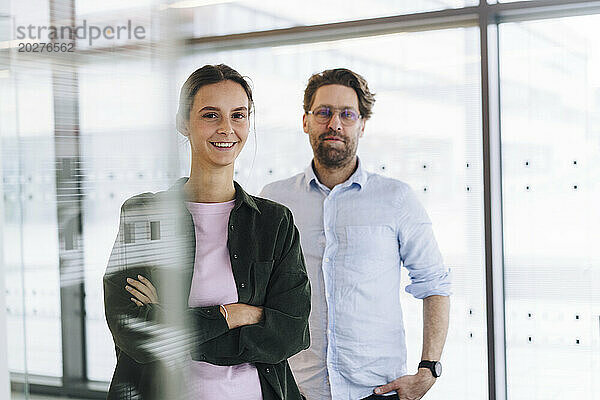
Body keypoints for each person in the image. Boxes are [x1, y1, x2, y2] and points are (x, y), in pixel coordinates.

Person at [103, 64, 311, 400]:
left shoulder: (274, 223)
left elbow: (290, 333)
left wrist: (172, 320)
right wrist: (232, 314)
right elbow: (134, 332)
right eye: (211, 115)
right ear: (184, 122)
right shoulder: (143, 215)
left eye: (238, 115)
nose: (227, 129)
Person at [260, 68, 451, 400]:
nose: (335, 123)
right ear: (306, 121)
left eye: (347, 114)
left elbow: (435, 282)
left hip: (379, 390)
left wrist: (428, 370)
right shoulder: (274, 200)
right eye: (324, 112)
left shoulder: (396, 198)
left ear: (362, 124)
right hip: (299, 389)